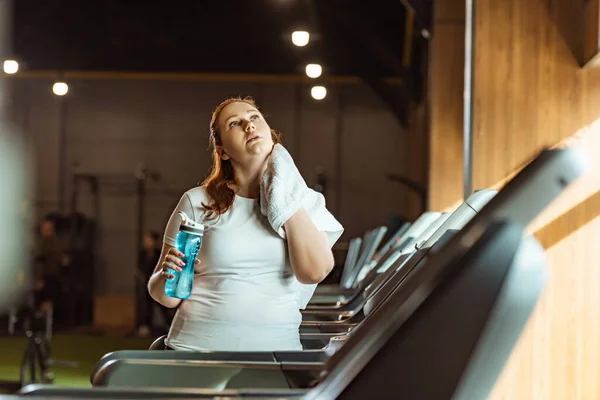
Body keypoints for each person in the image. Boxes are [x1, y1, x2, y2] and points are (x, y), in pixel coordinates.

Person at [148, 97, 343, 353]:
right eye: (234, 124)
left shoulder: (303, 202)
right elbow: (168, 297)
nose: (249, 126)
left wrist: (284, 189)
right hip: (194, 351)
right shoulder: (197, 201)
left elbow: (313, 272)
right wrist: (167, 275)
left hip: (276, 355)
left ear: (270, 135)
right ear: (223, 151)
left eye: (254, 118)